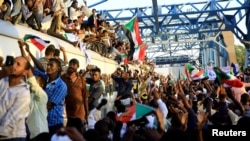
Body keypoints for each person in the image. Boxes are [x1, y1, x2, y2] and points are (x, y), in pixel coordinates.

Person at [0, 56, 31, 140]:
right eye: (13, 62)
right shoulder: (2, 81)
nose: (14, 65)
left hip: (13, 137)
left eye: (18, 64)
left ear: (25, 72)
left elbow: (12, 118)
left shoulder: (24, 92)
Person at [61, 59, 89, 133]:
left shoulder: (81, 80)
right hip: (68, 113)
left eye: (74, 65)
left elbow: (85, 97)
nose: (71, 66)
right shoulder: (63, 78)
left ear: (78, 67)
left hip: (80, 113)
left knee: (80, 134)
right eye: (70, 64)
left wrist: (87, 113)